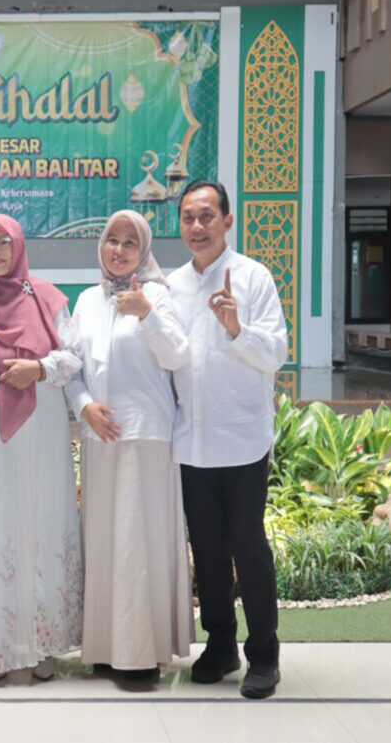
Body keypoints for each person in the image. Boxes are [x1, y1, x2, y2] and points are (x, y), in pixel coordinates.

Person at [0, 214, 83, 681]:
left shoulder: (47, 299)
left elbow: (73, 358)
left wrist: (39, 369)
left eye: (5, 241)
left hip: (42, 439)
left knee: (41, 524)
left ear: (20, 246)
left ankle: (42, 643)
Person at [168, 180, 287, 700]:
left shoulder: (254, 277)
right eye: (188, 217)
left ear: (227, 221)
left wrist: (237, 328)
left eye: (207, 216)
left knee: (247, 545)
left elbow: (276, 354)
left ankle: (264, 654)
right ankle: (220, 645)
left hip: (241, 439)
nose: (197, 226)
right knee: (207, 548)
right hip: (191, 441)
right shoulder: (172, 285)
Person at [65, 210, 193, 681]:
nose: (118, 250)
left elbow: (179, 355)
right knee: (104, 543)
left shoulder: (157, 294)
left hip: (146, 436)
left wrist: (148, 314)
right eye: (111, 240)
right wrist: (84, 407)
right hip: (100, 438)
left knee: (138, 545)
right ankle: (104, 647)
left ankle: (140, 656)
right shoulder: (86, 301)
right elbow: (72, 367)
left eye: (129, 243)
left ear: (143, 251)